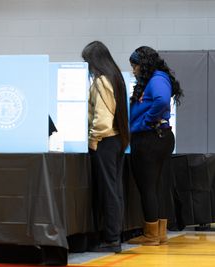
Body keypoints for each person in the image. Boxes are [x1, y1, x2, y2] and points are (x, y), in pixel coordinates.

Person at [127, 46, 183, 246]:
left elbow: (160, 101)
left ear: (145, 64)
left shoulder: (157, 78)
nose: (134, 70)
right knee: (157, 186)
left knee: (148, 186)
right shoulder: (157, 78)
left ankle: (151, 233)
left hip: (152, 137)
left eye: (135, 66)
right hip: (158, 137)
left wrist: (146, 121)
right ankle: (159, 232)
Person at [82, 41, 130, 253]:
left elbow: (102, 118)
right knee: (115, 190)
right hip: (117, 139)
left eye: (88, 62)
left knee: (108, 191)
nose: (88, 67)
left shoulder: (102, 81)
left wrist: (92, 140)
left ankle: (111, 239)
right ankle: (113, 235)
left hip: (105, 141)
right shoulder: (116, 77)